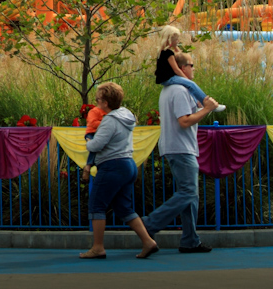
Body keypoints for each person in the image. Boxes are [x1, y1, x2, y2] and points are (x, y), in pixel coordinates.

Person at [143, 51, 219, 253]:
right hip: (180, 147)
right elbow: (184, 121)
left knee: (190, 196)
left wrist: (202, 106)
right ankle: (149, 224)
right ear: (182, 68)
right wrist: (206, 110)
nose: (194, 69)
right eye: (192, 65)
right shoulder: (179, 90)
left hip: (177, 146)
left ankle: (190, 239)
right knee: (188, 192)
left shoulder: (171, 89)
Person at [77, 82, 159, 260]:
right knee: (123, 207)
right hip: (128, 164)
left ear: (105, 102)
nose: (97, 103)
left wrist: (88, 141)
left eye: (98, 99)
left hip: (112, 166)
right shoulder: (126, 115)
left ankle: (98, 247)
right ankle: (147, 241)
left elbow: (97, 144)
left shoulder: (109, 120)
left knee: (97, 205)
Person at [155, 26, 225, 112]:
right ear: (170, 40)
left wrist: (176, 48)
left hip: (165, 78)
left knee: (188, 86)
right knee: (191, 84)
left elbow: (181, 55)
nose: (178, 41)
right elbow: (176, 69)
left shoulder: (162, 52)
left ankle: (197, 105)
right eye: (176, 40)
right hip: (168, 78)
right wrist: (185, 78)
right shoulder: (168, 53)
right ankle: (207, 103)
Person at [80, 100, 109, 183]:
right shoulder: (94, 111)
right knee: (95, 145)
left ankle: (92, 167)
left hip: (102, 134)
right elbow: (92, 123)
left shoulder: (109, 113)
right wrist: (107, 123)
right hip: (92, 133)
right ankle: (88, 167)